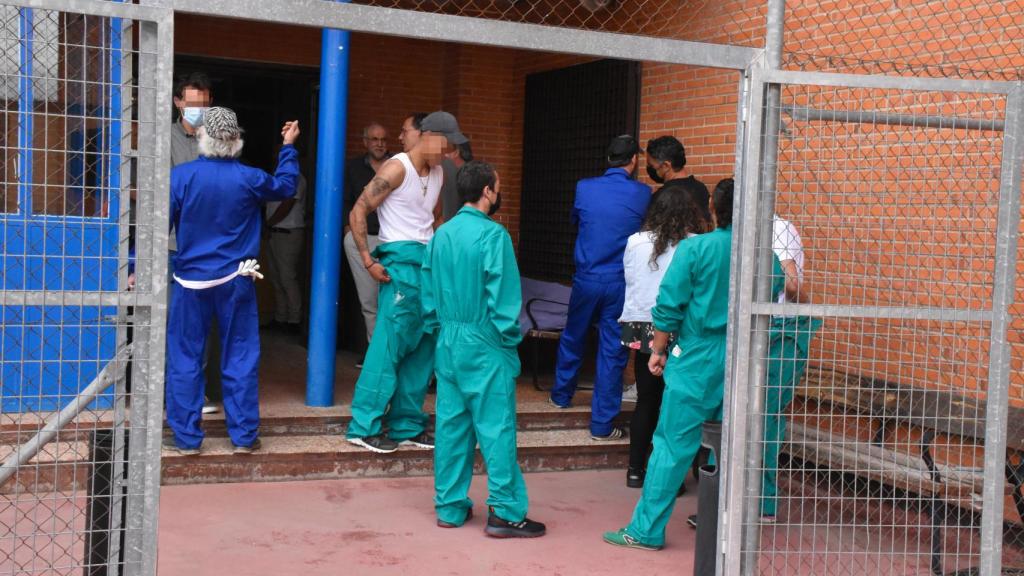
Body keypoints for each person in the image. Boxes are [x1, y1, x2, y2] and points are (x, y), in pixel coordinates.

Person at [602, 178, 786, 551]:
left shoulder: (696, 249)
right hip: (744, 355)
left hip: (698, 355)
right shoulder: (765, 255)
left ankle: (646, 530)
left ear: (714, 210)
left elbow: (668, 305)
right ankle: (723, 528)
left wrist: (657, 350)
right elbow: (776, 291)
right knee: (732, 445)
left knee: (672, 444)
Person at [164, 108, 300, 455]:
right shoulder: (249, 177)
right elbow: (286, 186)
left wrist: (136, 263)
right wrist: (287, 147)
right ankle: (242, 436)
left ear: (201, 137)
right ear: (237, 140)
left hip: (190, 281)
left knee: (185, 357)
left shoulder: (181, 177)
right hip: (235, 280)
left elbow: (158, 227)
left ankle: (186, 438)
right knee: (239, 356)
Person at [422, 160, 546, 538]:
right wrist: (509, 342)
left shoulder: (441, 234)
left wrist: (441, 330)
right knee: (497, 429)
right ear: (488, 191)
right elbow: (504, 301)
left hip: (448, 340)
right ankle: (506, 512)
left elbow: (427, 297)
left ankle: (450, 507)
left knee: (451, 426)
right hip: (485, 341)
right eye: (498, 186)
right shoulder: (494, 236)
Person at [345, 111, 466, 454]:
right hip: (399, 264)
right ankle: (363, 426)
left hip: (427, 266)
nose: (449, 151)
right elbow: (358, 210)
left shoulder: (440, 172)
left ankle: (406, 425)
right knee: (388, 347)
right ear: (428, 136)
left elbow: (436, 218)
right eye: (446, 144)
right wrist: (368, 260)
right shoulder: (396, 168)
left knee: (424, 346)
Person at [548, 134, 652, 441]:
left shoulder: (584, 188)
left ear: (608, 159)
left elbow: (577, 222)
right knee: (613, 351)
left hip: (587, 278)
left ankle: (561, 395)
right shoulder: (643, 193)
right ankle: (602, 425)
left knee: (573, 336)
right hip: (621, 283)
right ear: (634, 161)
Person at [619, 183, 709, 489]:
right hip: (678, 328)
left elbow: (630, 278)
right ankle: (671, 477)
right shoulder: (695, 244)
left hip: (641, 325)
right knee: (676, 404)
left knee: (646, 401)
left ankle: (634, 470)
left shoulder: (634, 241)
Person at [760, 215, 820, 522]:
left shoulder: (777, 228)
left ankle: (762, 501)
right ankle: (733, 495)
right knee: (743, 412)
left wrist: (809, 310)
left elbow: (792, 283)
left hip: (780, 329)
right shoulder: (749, 226)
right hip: (763, 328)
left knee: (766, 414)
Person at [170, 71, 221, 415]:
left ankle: (195, 395)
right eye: (192, 105)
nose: (198, 111)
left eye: (204, 105)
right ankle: (171, 395)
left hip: (208, 248)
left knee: (201, 326)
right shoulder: (162, 138)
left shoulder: (219, 142)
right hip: (173, 246)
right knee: (171, 324)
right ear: (178, 103)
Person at [343, 122, 392, 354]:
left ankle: (391, 355)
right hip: (361, 239)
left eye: (383, 139)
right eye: (374, 139)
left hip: (391, 241)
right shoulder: (353, 167)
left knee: (393, 302)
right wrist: (347, 228)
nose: (380, 144)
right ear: (365, 142)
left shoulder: (397, 166)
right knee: (369, 301)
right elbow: (345, 200)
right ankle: (376, 354)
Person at [265, 165, 307, 335]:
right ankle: (281, 317)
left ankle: (294, 321)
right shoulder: (275, 175)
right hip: (275, 232)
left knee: (287, 277)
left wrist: (268, 223)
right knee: (276, 277)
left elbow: (287, 204)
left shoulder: (296, 177)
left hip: (288, 232)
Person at [644, 136, 710, 222]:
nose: (649, 168)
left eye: (651, 165)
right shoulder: (701, 189)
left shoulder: (661, 196)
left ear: (666, 166)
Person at [440, 141, 473, 220]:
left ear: (456, 152)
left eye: (445, 151)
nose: (443, 155)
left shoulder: (445, 168)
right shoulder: (471, 174)